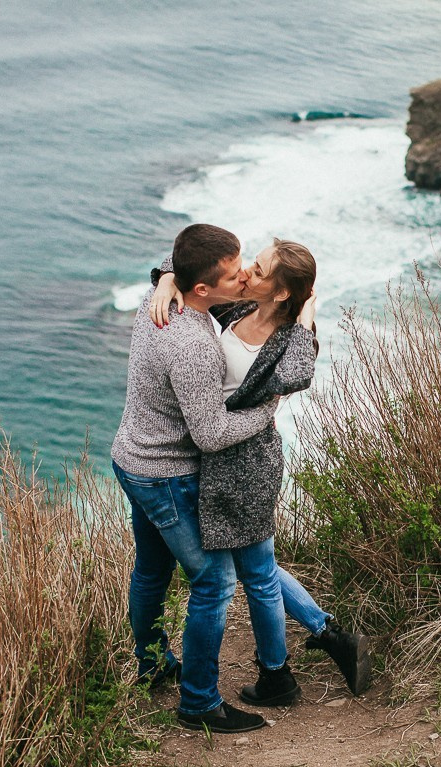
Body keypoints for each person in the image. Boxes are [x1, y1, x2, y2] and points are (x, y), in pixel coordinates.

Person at [148, 238, 371, 707]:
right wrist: (167, 280)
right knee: (257, 569)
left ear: (283, 293)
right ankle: (321, 641)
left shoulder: (289, 340)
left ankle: (280, 674)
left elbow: (297, 374)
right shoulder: (240, 307)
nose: (247, 271)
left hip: (248, 466)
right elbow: (190, 265)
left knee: (258, 574)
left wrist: (306, 319)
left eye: (260, 268)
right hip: (215, 459)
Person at [112, 223, 280, 734]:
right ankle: (200, 703)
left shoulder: (156, 301)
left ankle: (152, 664)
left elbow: (178, 256)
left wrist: (164, 278)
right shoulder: (192, 344)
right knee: (214, 582)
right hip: (166, 475)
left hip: (130, 459)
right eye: (233, 276)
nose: (245, 277)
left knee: (150, 574)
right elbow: (209, 434)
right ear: (202, 289)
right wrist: (268, 409)